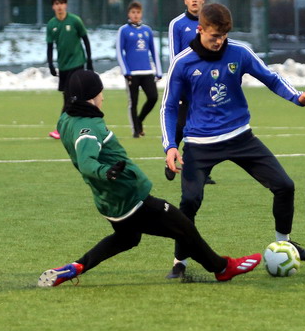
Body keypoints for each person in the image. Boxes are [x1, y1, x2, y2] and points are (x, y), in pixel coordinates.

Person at [37, 70, 261, 287]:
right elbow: (87, 162)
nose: (103, 97)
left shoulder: (66, 119)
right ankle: (222, 268)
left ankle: (77, 267)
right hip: (129, 197)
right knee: (184, 227)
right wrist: (106, 171)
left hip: (107, 200)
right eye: (100, 92)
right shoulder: (88, 127)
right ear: (91, 96)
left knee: (127, 238)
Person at [160, 3, 305, 279]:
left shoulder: (239, 52)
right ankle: (180, 261)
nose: (219, 42)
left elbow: (271, 78)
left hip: (240, 137)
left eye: (223, 36)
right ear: (200, 30)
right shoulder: (183, 62)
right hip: (200, 143)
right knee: (190, 201)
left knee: (284, 186)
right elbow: (169, 107)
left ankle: (284, 243)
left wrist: (298, 97)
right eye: (214, 36)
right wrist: (170, 146)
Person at [165, 0, 215, 184]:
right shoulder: (177, 24)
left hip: (207, 83)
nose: (194, 0)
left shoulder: (211, 22)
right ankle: (171, 155)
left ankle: (200, 170)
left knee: (207, 126)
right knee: (182, 125)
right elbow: (174, 56)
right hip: (186, 83)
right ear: (185, 1)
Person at [46, 0, 93, 140]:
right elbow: (49, 46)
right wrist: (51, 64)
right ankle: (79, 125)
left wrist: (89, 60)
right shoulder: (51, 25)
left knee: (72, 97)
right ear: (53, 7)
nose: (59, 6)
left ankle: (61, 129)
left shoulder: (75, 20)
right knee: (69, 98)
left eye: (62, 3)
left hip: (77, 63)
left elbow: (85, 40)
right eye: (56, 4)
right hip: (63, 66)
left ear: (66, 5)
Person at [116, 1, 162, 138]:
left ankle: (139, 120)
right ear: (129, 14)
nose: (136, 15)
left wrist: (158, 71)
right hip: (132, 73)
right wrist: (126, 71)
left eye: (138, 12)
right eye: (133, 12)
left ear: (141, 14)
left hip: (147, 72)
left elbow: (154, 51)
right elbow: (119, 52)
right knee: (133, 102)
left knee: (153, 97)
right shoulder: (123, 30)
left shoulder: (147, 30)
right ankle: (136, 131)